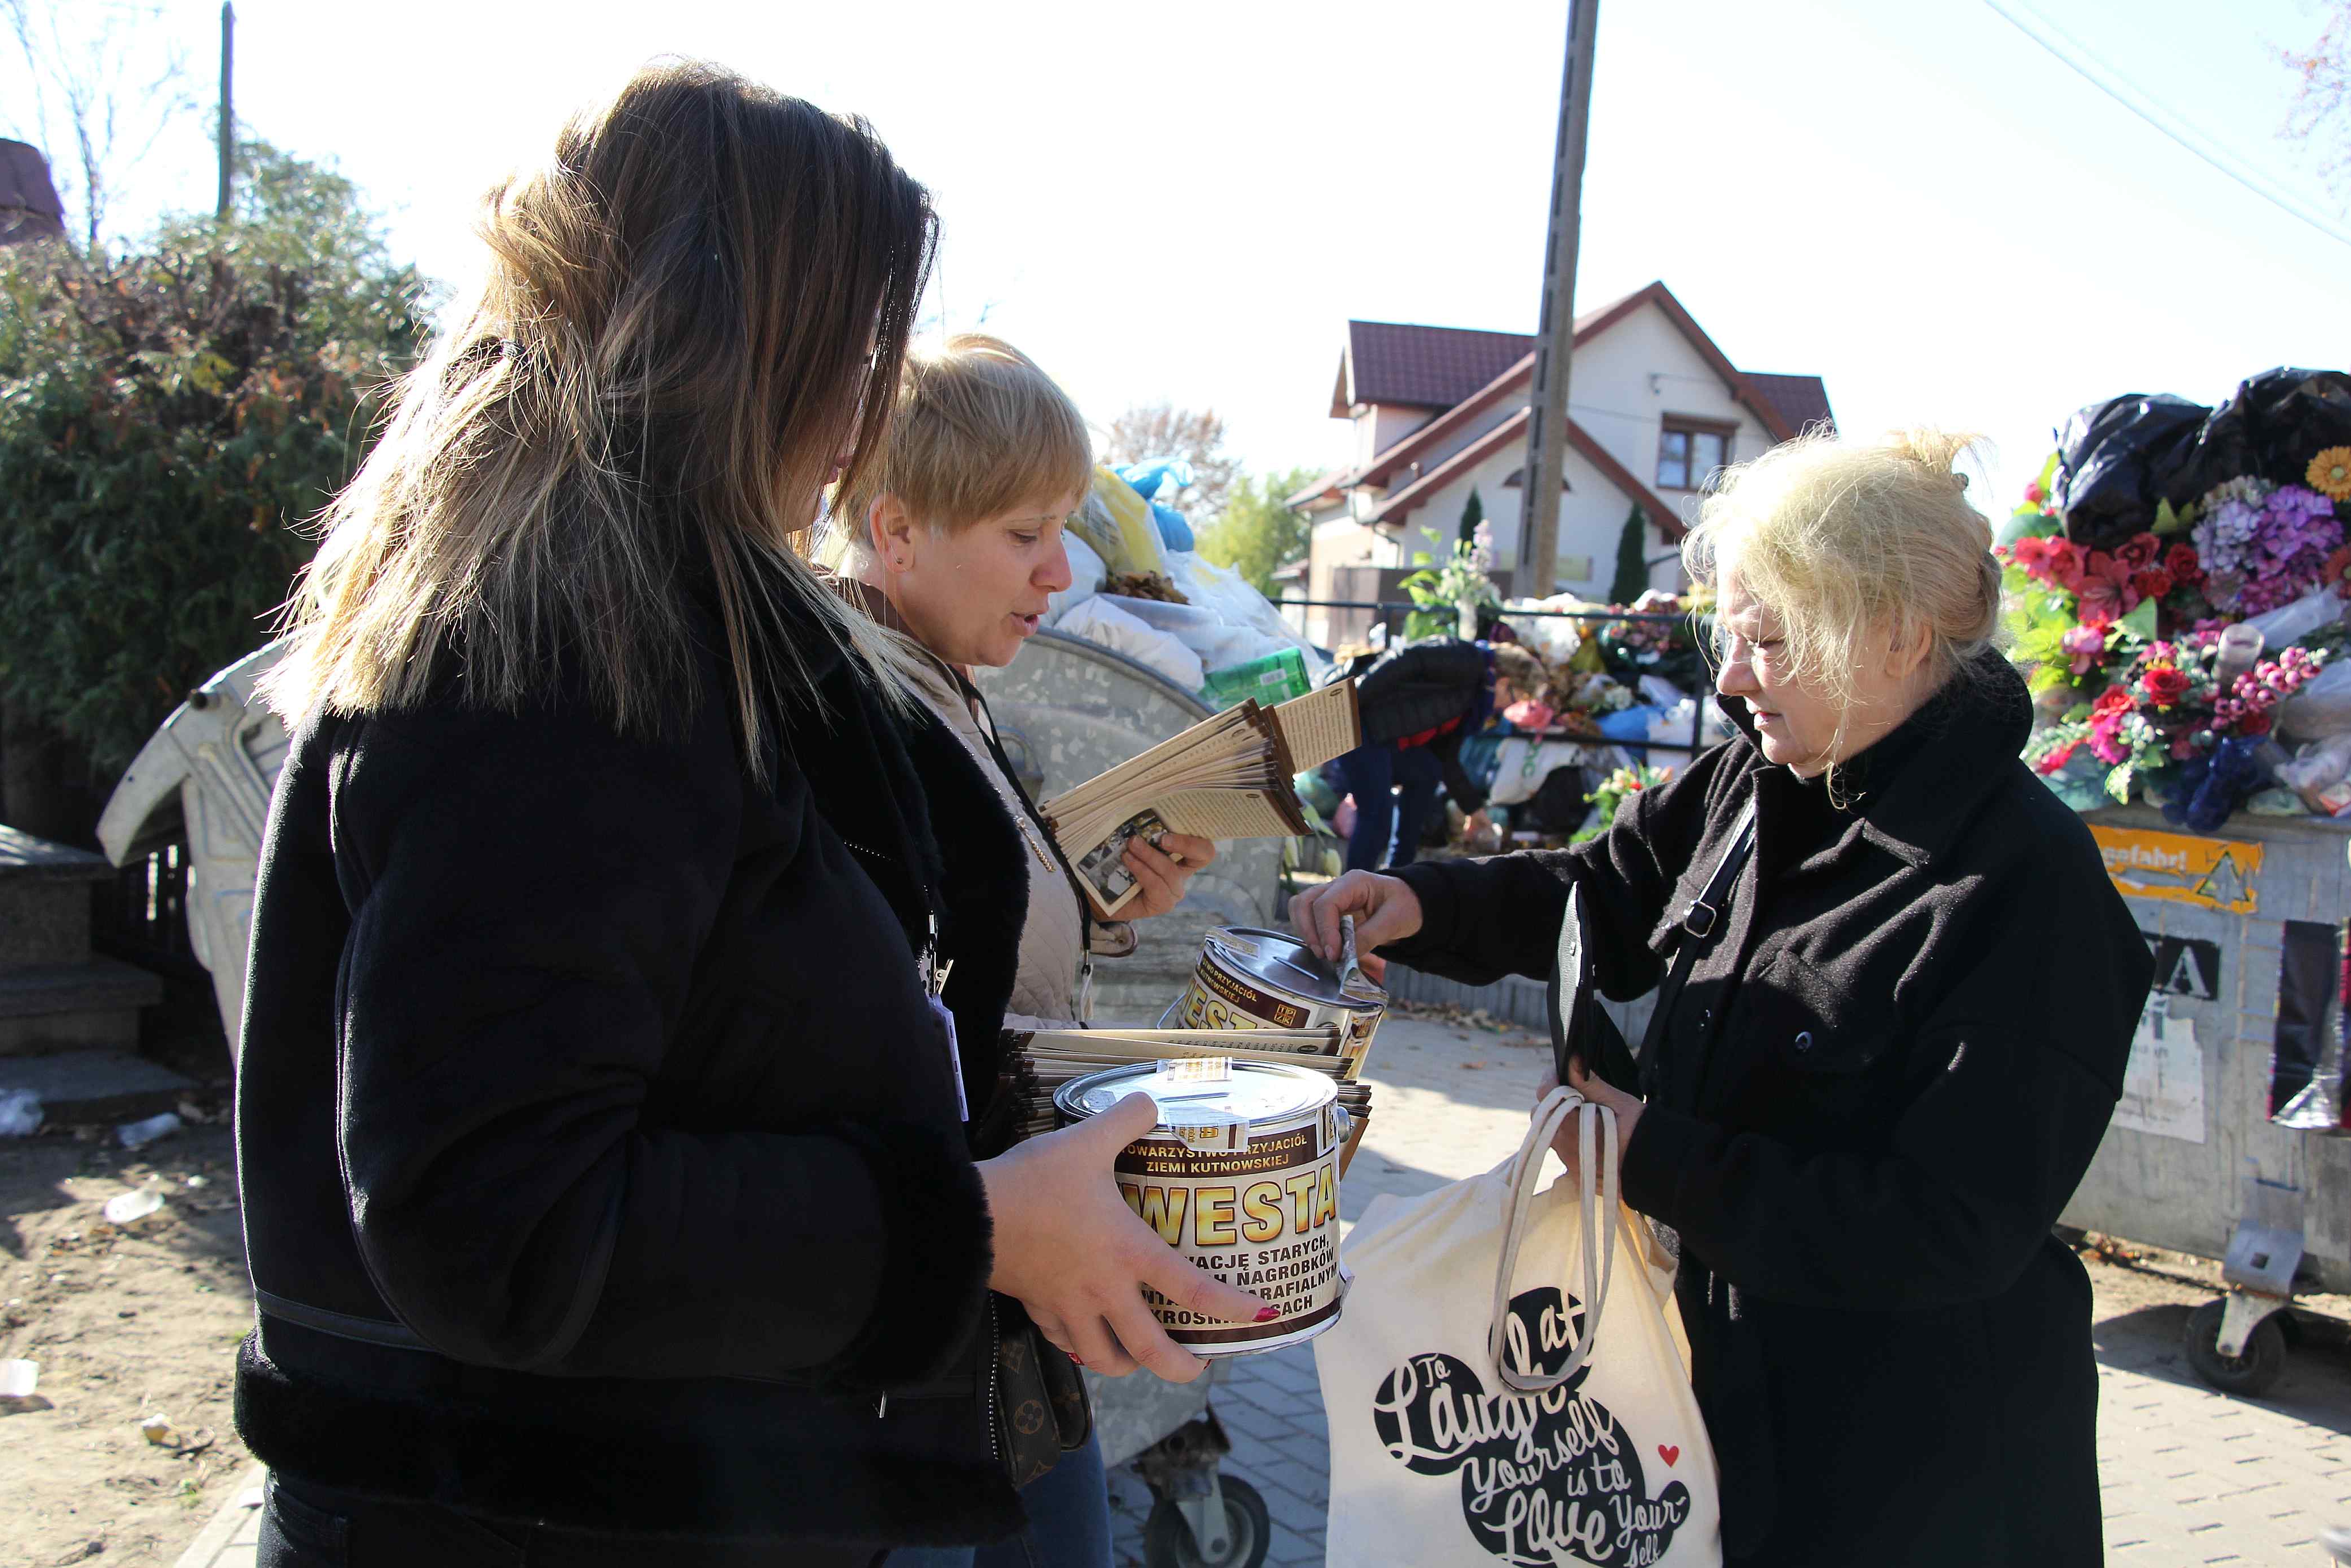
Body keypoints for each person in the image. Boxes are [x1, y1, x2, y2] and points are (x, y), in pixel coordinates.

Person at [235, 64, 1267, 1568]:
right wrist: (975, 1225)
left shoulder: (637, 620)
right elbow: (505, 1220)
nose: (863, 416)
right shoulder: (567, 657)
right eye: (855, 349)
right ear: (743, 342)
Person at [1291, 429, 2150, 1567]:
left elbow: (1949, 1227)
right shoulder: (1761, 778)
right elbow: (1600, 890)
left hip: (1916, 1475)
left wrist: (1658, 1156)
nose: (1730, 675)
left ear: (1892, 634)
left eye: (1769, 638)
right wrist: (1419, 901)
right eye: (1729, 633)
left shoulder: (2025, 886)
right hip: (1726, 1411)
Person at [824, 333, 1219, 1567]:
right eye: (1023, 533)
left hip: (993, 1270)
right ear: (897, 531)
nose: (1061, 571)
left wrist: (1094, 901)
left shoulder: (934, 676)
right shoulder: (849, 711)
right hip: (934, 1297)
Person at [1328, 637, 1542, 871]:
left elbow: (1446, 760)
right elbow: (1406, 658)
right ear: (1504, 683)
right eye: (1513, 699)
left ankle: (1397, 875)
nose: (1506, 708)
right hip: (1359, 720)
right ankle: (1352, 896)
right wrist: (1353, 698)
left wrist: (1474, 810)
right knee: (1377, 814)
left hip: (1383, 736)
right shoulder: (1466, 659)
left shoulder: (1473, 702)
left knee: (1427, 771)